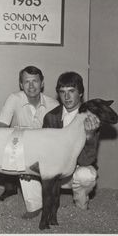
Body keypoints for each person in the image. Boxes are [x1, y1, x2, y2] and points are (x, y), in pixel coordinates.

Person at [0, 66, 59, 218]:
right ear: (21, 84)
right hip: (19, 145)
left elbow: (58, 138)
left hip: (44, 149)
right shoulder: (14, 98)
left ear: (42, 83)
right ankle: (35, 206)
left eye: (35, 81)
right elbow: (0, 127)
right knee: (22, 162)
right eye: (26, 82)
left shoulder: (54, 105)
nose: (31, 86)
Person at [43, 71, 100, 210]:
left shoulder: (91, 118)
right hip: (55, 170)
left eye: (71, 91)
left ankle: (81, 204)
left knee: (86, 175)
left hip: (77, 169)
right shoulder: (51, 117)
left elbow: (86, 161)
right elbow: (45, 152)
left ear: (80, 93)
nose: (66, 97)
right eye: (62, 92)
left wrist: (90, 136)